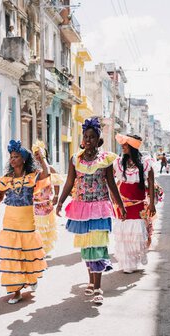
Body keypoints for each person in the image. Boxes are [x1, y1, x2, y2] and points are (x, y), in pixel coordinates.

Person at [56, 118, 126, 305]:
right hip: (81, 208)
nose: (88, 140)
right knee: (87, 246)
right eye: (86, 137)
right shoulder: (75, 159)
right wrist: (60, 202)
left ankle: (98, 287)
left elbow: (111, 185)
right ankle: (90, 281)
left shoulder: (105, 160)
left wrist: (120, 205)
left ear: (98, 140)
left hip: (100, 207)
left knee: (98, 246)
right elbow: (69, 182)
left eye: (92, 137)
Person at [0, 140, 49, 304]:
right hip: (10, 221)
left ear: (24, 159)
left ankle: (31, 278)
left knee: (27, 254)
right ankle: (16, 291)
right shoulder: (5, 179)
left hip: (26, 221)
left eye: (16, 156)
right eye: (11, 156)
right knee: (13, 257)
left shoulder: (31, 177)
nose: (12, 159)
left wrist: (41, 157)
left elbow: (46, 173)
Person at [112, 134, 156, 273]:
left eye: (125, 144)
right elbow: (110, 180)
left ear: (132, 146)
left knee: (137, 234)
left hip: (139, 205)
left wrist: (152, 204)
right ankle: (127, 264)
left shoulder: (146, 163)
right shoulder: (118, 163)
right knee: (124, 235)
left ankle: (134, 260)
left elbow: (151, 183)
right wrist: (114, 198)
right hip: (123, 205)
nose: (122, 146)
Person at [32, 140, 63, 255]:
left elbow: (57, 182)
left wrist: (56, 195)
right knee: (37, 228)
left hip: (47, 205)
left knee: (47, 228)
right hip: (35, 205)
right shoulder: (32, 171)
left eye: (39, 153)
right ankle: (38, 249)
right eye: (35, 154)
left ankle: (44, 250)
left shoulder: (50, 168)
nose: (37, 156)